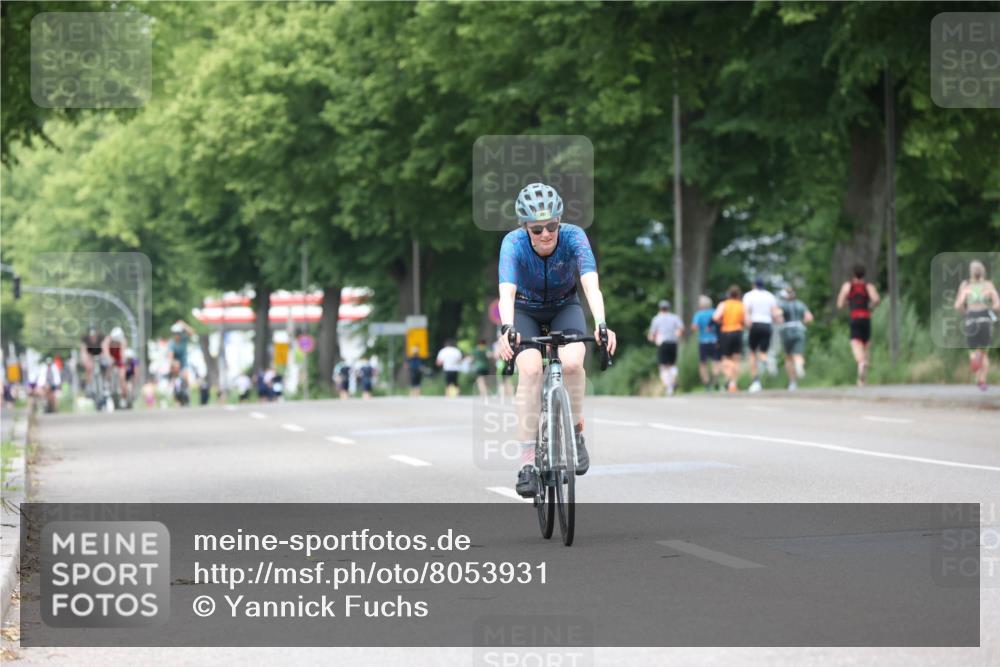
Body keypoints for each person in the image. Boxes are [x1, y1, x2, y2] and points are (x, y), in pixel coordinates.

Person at [494, 182, 617, 498]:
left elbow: (590, 284)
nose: (546, 234)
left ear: (560, 222)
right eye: (537, 229)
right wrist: (507, 328)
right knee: (531, 370)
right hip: (525, 310)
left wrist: (601, 323)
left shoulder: (575, 237)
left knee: (573, 363)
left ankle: (575, 433)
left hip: (565, 306)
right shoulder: (513, 243)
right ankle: (526, 463)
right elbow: (506, 292)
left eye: (552, 226)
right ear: (525, 227)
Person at [954, 260, 1000, 391]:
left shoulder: (966, 286)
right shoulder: (988, 285)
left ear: (971, 272)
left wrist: (966, 312)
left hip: (971, 319)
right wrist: (990, 307)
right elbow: (998, 305)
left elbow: (958, 305)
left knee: (973, 351)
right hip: (985, 319)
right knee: (985, 353)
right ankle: (982, 381)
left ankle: (974, 360)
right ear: (983, 272)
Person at [837, 264, 880, 386]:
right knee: (866, 346)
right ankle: (862, 379)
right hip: (866, 318)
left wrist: (848, 304)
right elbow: (876, 299)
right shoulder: (868, 286)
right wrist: (870, 307)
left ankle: (861, 363)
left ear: (853, 274)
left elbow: (839, 304)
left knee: (856, 344)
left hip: (855, 318)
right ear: (864, 274)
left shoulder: (848, 286)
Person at [742, 277, 777, 393]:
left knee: (752, 353)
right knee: (763, 352)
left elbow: (746, 311)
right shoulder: (770, 296)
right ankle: (768, 361)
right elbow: (775, 312)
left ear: (754, 285)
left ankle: (755, 381)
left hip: (755, 324)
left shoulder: (749, 295)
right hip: (767, 324)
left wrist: (747, 323)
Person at [776, 287, 814, 391]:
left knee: (788, 357)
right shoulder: (800, 304)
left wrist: (780, 320)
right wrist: (802, 323)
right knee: (798, 355)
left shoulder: (782, 305)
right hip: (799, 329)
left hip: (787, 330)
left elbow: (778, 317)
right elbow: (809, 317)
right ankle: (799, 365)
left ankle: (792, 382)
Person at [647, 300, 684, 395]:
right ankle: (673, 381)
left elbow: (652, 335)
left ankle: (668, 386)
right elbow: (681, 330)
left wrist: (653, 339)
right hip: (673, 343)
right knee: (672, 364)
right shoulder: (674, 317)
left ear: (660, 308)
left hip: (662, 344)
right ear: (668, 308)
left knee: (663, 366)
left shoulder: (656, 319)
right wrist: (677, 336)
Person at [713, 285, 746, 393]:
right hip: (738, 332)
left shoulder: (724, 304)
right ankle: (733, 383)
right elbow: (746, 320)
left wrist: (722, 321)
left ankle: (730, 378)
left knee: (725, 359)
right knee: (737, 359)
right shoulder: (741, 305)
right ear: (738, 295)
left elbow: (715, 317)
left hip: (726, 332)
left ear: (729, 294)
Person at [690, 295, 721, 391]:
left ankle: (707, 384)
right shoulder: (715, 312)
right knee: (716, 362)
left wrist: (700, 327)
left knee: (703, 364)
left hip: (703, 341)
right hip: (715, 340)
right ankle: (715, 380)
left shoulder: (699, 314)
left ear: (701, 305)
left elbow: (694, 327)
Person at [103, 326, 128, 404]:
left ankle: (123, 396)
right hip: (110, 356)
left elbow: (122, 353)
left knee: (122, 376)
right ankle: (107, 384)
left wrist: (122, 362)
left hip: (118, 357)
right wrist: (109, 358)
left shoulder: (123, 341)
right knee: (109, 365)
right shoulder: (107, 340)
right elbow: (105, 350)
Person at [79, 326, 104, 393]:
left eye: (94, 335)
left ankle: (106, 383)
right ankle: (89, 385)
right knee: (89, 367)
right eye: (91, 336)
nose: (93, 337)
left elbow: (104, 349)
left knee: (106, 365)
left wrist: (103, 356)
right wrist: (86, 360)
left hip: (99, 356)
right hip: (89, 357)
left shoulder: (100, 339)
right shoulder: (85, 340)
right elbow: (83, 352)